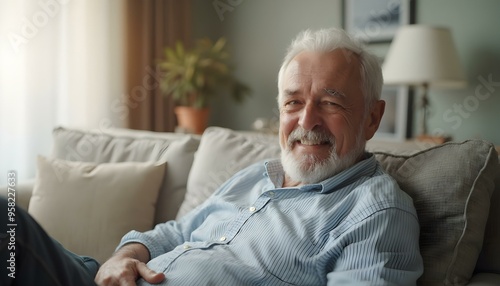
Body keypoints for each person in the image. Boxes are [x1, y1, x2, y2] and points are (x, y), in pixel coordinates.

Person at [0, 28, 423, 286]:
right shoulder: (259, 176)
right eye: (293, 102)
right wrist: (124, 257)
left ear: (372, 117)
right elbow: (176, 231)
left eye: (330, 103)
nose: (306, 121)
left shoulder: (375, 212)